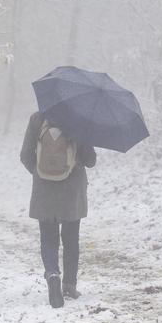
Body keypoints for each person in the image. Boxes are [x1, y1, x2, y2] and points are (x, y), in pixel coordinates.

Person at [20, 111, 97, 308]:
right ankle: (69, 285)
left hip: (44, 190)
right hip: (72, 192)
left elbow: (25, 155)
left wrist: (40, 173)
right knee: (71, 239)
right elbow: (90, 160)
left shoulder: (38, 119)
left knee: (48, 237)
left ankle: (52, 275)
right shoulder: (80, 118)